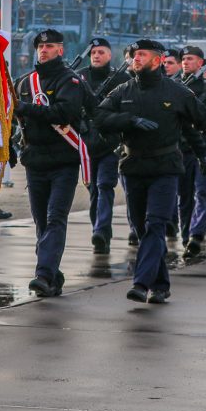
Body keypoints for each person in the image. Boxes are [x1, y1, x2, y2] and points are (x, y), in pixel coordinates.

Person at [96, 39, 206, 303]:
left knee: (156, 224)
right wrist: (129, 120)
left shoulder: (177, 92)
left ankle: (141, 283)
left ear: (157, 60)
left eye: (142, 54)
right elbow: (99, 118)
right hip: (133, 167)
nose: (135, 58)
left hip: (165, 168)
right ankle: (161, 285)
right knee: (142, 229)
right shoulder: (123, 90)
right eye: (134, 55)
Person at [14, 29, 87, 298]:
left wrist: (26, 108)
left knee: (56, 218)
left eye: (49, 46)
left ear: (60, 50)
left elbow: (64, 112)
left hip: (63, 160)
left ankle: (43, 274)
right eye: (40, 47)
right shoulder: (25, 83)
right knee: (41, 222)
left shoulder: (70, 80)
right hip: (35, 160)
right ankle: (53, 275)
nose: (43, 50)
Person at [76, 37, 126, 254]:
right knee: (93, 189)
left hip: (110, 142)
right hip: (86, 144)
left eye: (101, 52)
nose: (96, 56)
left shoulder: (121, 78)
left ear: (110, 55)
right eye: (93, 52)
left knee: (105, 185)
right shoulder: (79, 77)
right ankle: (99, 229)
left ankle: (101, 230)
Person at [178, 45, 206, 257]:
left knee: (202, 192)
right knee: (184, 196)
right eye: (183, 59)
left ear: (201, 63)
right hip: (183, 149)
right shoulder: (175, 86)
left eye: (190, 58)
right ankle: (186, 235)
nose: (186, 62)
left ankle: (196, 235)